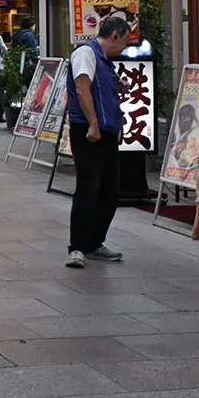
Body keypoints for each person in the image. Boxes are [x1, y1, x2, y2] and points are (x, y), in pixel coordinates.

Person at [63, 14, 131, 269]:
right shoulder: (86, 54)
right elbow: (82, 89)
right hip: (88, 131)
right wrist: (92, 123)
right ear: (114, 35)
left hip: (107, 132)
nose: (124, 47)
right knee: (88, 189)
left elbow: (103, 89)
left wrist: (119, 86)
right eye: (124, 41)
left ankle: (94, 242)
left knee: (109, 192)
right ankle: (77, 247)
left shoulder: (104, 60)